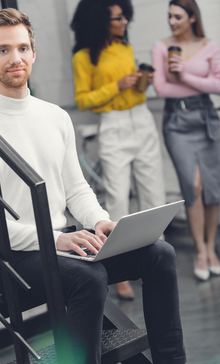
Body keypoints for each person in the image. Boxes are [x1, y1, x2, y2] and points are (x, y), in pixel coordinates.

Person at [0, 8, 220, 364]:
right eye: (3, 50)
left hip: (60, 244)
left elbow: (76, 189)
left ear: (34, 52)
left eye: (22, 47)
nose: (14, 58)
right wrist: (58, 239)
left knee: (160, 254)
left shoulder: (54, 117)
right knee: (88, 275)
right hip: (10, 258)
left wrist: (101, 222)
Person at [71, 0, 166, 299]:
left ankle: (161, 261)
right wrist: (117, 85)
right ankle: (119, 271)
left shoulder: (125, 49)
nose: (124, 22)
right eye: (118, 18)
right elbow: (83, 100)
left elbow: (134, 92)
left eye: (125, 17)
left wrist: (141, 82)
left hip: (142, 118)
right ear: (101, 21)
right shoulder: (84, 57)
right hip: (112, 126)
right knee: (117, 201)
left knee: (155, 195)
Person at [152, 0, 220, 281]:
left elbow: (218, 85)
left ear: (192, 18)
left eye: (178, 16)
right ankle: (200, 250)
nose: (172, 21)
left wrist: (184, 75)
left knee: (212, 187)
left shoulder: (210, 45)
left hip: (207, 120)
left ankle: (211, 247)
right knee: (192, 186)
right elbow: (161, 88)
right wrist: (193, 79)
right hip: (176, 123)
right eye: (169, 16)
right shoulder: (161, 47)